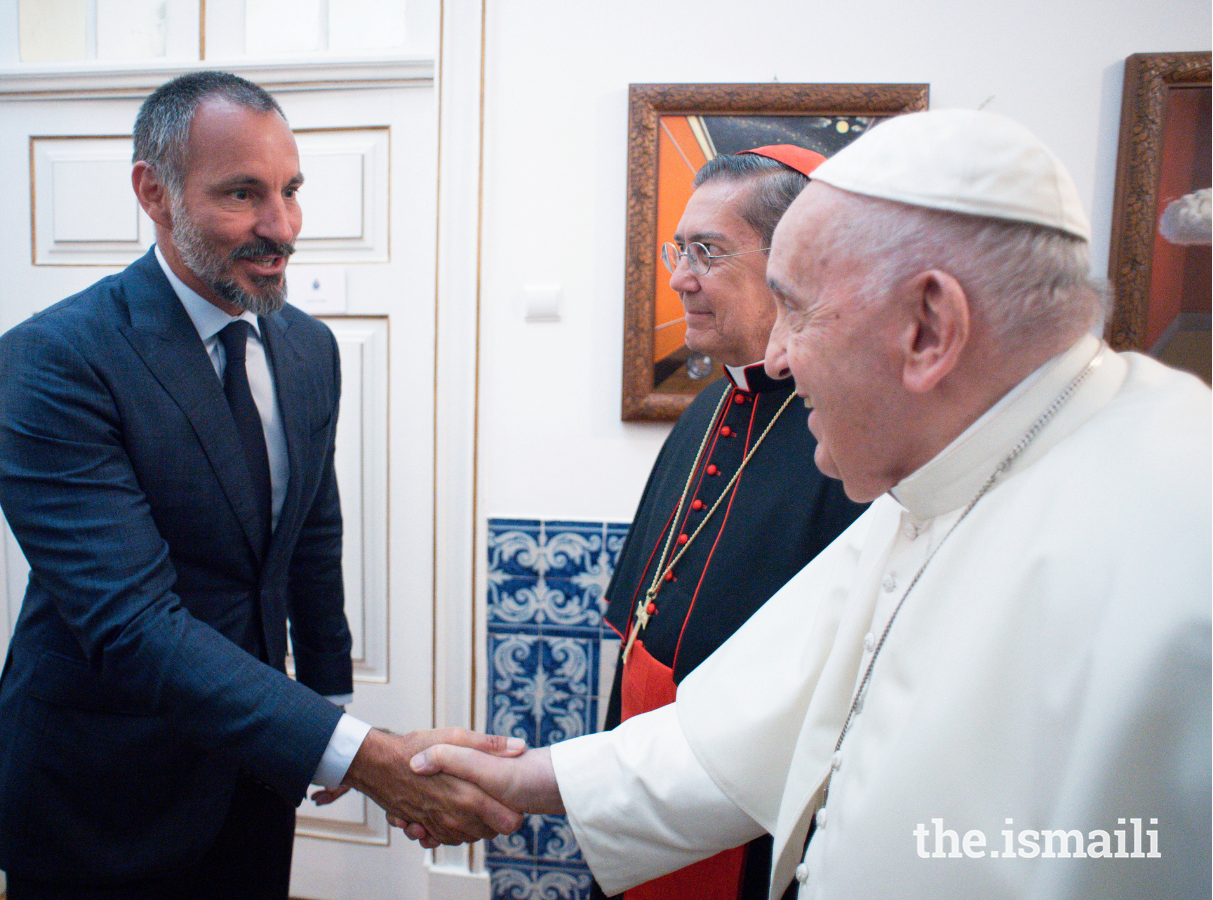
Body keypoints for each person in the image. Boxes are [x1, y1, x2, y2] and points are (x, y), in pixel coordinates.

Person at [403, 110, 1212, 898]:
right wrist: (525, 777)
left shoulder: (1179, 535)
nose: (778, 354)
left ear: (930, 328)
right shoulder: (950, 471)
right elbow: (749, 727)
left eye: (795, 307)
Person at [0, 71, 519, 899]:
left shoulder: (306, 348)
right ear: (153, 193)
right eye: (242, 194)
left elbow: (311, 529)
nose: (282, 228)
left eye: (291, 191)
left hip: (254, 772)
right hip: (101, 790)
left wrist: (326, 689)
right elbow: (131, 624)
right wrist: (359, 752)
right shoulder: (56, 361)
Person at [595, 145, 864, 900]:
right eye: (678, 249)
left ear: (794, 262)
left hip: (755, 807)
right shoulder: (706, 410)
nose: (679, 277)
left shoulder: (847, 434)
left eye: (707, 252)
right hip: (648, 775)